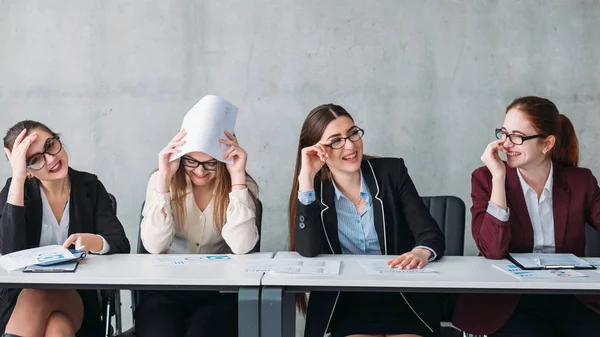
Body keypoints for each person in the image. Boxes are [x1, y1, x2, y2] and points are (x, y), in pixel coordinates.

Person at [288, 104, 446, 337]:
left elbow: (431, 235)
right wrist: (306, 178)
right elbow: (308, 250)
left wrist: (421, 252)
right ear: (317, 150)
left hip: (402, 297)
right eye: (336, 141)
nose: (350, 145)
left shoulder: (392, 172)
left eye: (352, 133)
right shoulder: (314, 192)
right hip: (346, 303)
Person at [453, 96, 600, 336]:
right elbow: (492, 250)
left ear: (547, 143)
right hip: (508, 301)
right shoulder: (486, 178)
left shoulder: (580, 181)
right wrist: (499, 178)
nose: (506, 144)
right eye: (503, 133)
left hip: (569, 295)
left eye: (517, 137)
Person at [0, 120, 130, 337]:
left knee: (40, 294)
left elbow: (120, 243)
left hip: (78, 298)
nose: (51, 159)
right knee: (57, 329)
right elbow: (10, 252)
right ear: (26, 169)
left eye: (50, 145)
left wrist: (92, 241)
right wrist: (19, 179)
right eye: (35, 160)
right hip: (19, 304)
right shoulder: (16, 191)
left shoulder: (90, 187)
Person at [135, 125, 259, 337]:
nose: (200, 171)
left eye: (210, 163)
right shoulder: (161, 181)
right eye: (191, 161)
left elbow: (242, 246)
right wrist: (164, 177)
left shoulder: (242, 186)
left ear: (224, 161)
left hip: (219, 292)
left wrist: (237, 178)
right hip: (166, 289)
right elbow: (154, 246)